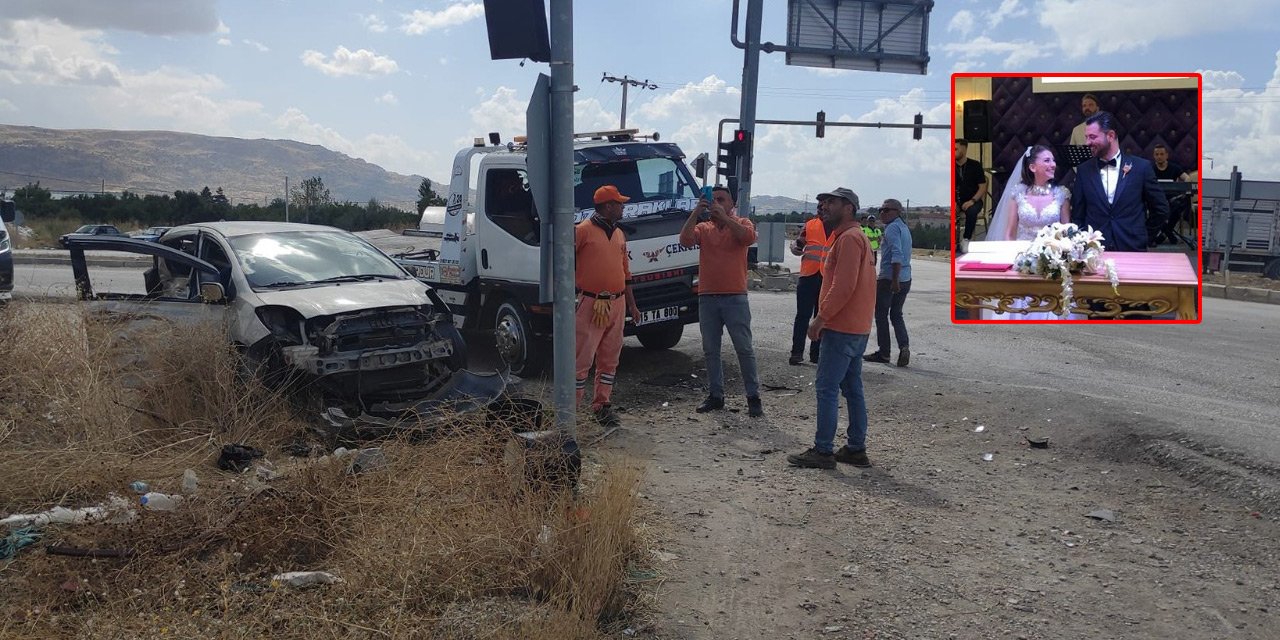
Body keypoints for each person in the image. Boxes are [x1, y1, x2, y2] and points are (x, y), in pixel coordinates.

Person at [786, 188, 876, 470]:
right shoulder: (854, 237)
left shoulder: (849, 239)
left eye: (831, 202)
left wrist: (821, 318)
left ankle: (823, 451)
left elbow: (843, 285)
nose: (824, 206)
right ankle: (855, 448)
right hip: (857, 326)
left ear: (848, 207)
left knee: (826, 387)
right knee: (852, 388)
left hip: (842, 327)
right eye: (823, 202)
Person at [679, 185, 763, 418]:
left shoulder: (743, 223)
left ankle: (753, 397)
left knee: (744, 349)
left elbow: (747, 238)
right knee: (710, 350)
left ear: (732, 204)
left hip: (735, 296)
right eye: (713, 199)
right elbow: (685, 240)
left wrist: (726, 218)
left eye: (721, 199)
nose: (716, 202)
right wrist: (696, 212)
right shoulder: (704, 228)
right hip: (708, 297)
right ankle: (716, 396)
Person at [988, 145, 1083, 320]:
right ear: (1032, 167)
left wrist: (1060, 257)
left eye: (1053, 160)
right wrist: (1016, 260)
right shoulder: (1018, 194)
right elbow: (1009, 233)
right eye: (1047, 160)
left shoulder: (1061, 195)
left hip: (1051, 265)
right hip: (1023, 264)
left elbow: (1067, 232)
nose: (1053, 164)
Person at [574, 185, 642, 427]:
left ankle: (602, 405)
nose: (623, 207)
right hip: (591, 302)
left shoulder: (619, 233)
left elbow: (626, 273)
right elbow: (565, 262)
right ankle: (571, 412)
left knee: (610, 358)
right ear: (608, 206)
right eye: (620, 203)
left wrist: (632, 306)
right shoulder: (582, 231)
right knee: (582, 359)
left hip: (617, 302)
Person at [1070, 111, 1168, 252]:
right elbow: (1078, 214)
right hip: (1094, 252)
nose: (1087, 143)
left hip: (1132, 247)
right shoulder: (1084, 170)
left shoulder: (1141, 168)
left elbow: (1161, 209)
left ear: (1110, 135)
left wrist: (1144, 237)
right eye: (1086, 137)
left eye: (1092, 137)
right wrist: (1083, 243)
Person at [863, 199, 912, 366]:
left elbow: (897, 255)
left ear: (897, 211)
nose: (882, 213)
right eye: (880, 210)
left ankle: (884, 353)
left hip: (890, 279)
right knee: (897, 315)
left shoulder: (892, 229)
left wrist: (894, 280)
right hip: (906, 277)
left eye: (886, 210)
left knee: (881, 315)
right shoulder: (904, 228)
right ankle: (904, 346)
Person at [789, 210, 832, 366]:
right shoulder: (811, 225)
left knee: (821, 317)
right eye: (820, 206)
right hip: (808, 276)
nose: (822, 208)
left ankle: (816, 354)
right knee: (802, 316)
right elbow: (799, 241)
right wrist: (795, 247)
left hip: (827, 278)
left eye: (826, 205)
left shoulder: (838, 227)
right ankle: (796, 352)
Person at [1151, 143, 1192, 245]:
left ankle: (1165, 234)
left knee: (1179, 207)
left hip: (1172, 200)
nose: (1159, 157)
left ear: (1166, 155)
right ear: (1154, 156)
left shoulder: (1174, 168)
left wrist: (1186, 183)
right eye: (1157, 154)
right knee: (1155, 210)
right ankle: (1169, 234)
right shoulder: (1149, 169)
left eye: (1161, 154)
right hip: (1155, 200)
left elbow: (1187, 178)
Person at [954, 139, 988, 248]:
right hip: (957, 200)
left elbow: (982, 187)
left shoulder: (975, 165)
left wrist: (972, 201)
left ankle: (966, 239)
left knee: (972, 211)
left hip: (974, 199)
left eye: (955, 149)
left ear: (964, 149)